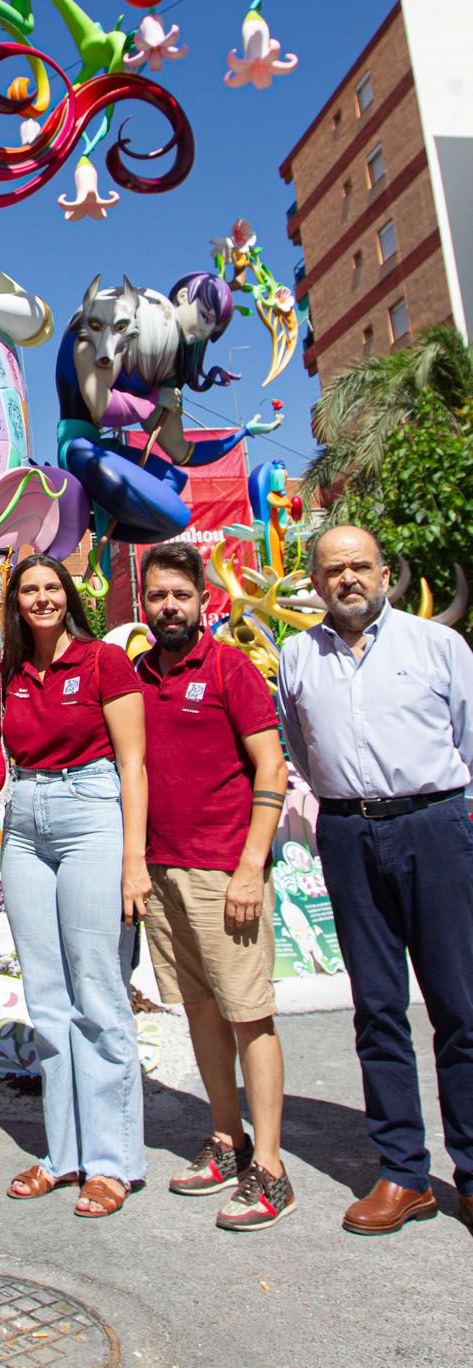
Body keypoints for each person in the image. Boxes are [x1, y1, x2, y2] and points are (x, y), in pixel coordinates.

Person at [277, 525, 473, 1236]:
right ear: (318, 582)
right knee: (379, 1009)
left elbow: (467, 738)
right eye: (334, 570)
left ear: (385, 573)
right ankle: (403, 1173)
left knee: (461, 1006)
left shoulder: (439, 646)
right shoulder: (296, 656)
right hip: (349, 833)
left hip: (435, 826)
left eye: (360, 566)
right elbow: (302, 746)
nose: (348, 579)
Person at [135, 539, 295, 1232]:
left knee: (247, 1013)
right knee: (199, 1008)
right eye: (158, 596)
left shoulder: (230, 669)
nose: (169, 607)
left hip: (224, 871)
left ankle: (272, 1165)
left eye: (181, 595)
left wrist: (251, 865)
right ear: (143, 605)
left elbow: (271, 768)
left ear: (204, 601)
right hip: (162, 869)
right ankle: (226, 1140)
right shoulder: (136, 675)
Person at [0, 552, 150, 1218]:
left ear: (69, 595)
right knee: (47, 996)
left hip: (91, 810)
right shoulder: (10, 672)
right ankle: (64, 1155)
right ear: (17, 601)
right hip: (24, 820)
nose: (41, 598)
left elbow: (135, 764)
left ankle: (112, 1162)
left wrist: (134, 859)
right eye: (29, 589)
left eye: (51, 587)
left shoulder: (100, 662)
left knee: (97, 987)